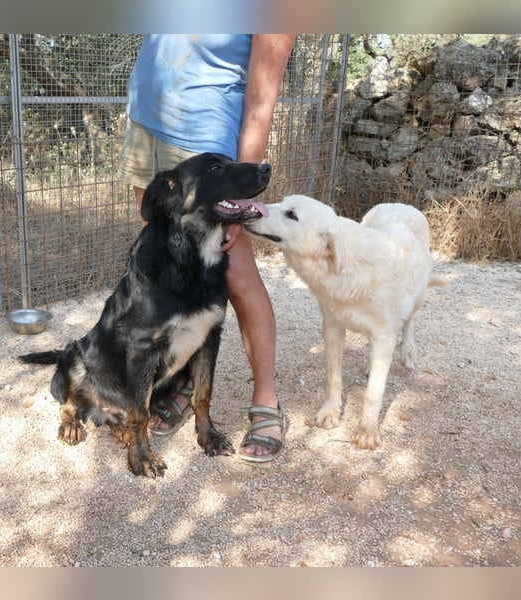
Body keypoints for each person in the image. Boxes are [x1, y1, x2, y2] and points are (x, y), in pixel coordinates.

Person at [117, 34, 296, 463]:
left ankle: (266, 402)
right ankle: (182, 383)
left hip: (204, 138)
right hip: (146, 121)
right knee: (171, 265)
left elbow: (261, 96)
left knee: (235, 274)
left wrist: (242, 196)